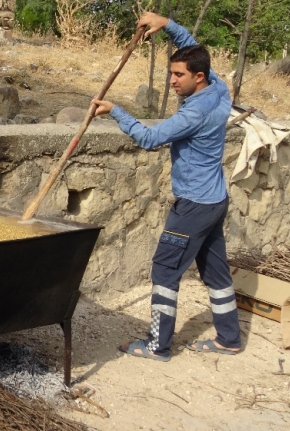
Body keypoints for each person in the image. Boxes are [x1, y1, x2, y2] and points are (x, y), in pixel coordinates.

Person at [91, 12, 242, 361]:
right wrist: (167, 24)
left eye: (178, 75)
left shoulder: (195, 114)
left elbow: (149, 137)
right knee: (216, 271)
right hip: (215, 201)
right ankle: (229, 338)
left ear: (197, 77)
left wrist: (116, 111)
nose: (172, 81)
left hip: (192, 207)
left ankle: (157, 346)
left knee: (164, 269)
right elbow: (190, 46)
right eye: (171, 73)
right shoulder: (218, 88)